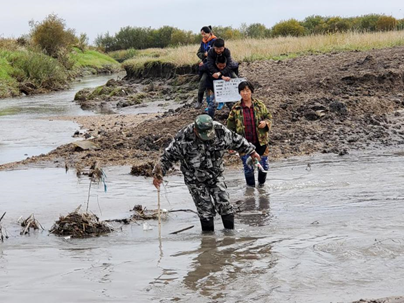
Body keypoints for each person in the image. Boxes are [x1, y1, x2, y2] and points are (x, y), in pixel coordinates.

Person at [152, 114, 261, 232]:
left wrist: (252, 152)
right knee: (205, 210)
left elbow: (236, 140)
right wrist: (159, 174)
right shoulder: (183, 137)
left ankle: (230, 236)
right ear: (195, 130)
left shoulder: (220, 131)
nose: (207, 138)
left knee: (224, 204)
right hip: (194, 178)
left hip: (215, 174)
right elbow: (167, 157)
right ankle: (209, 242)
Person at [227, 81, 272, 187]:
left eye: (247, 90)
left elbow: (268, 117)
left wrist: (265, 123)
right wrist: (230, 144)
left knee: (264, 166)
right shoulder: (235, 109)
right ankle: (250, 189)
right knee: (248, 168)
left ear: (251, 91)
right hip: (244, 144)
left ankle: (261, 188)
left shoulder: (259, 105)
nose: (245, 93)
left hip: (260, 142)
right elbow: (230, 128)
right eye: (243, 91)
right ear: (239, 93)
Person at [195, 26, 217, 109]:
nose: (203, 36)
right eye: (202, 34)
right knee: (203, 81)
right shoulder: (203, 42)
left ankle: (219, 101)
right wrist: (204, 55)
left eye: (204, 34)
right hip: (205, 64)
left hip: (215, 65)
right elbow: (198, 53)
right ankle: (199, 101)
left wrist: (210, 55)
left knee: (215, 84)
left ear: (209, 33)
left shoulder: (215, 41)